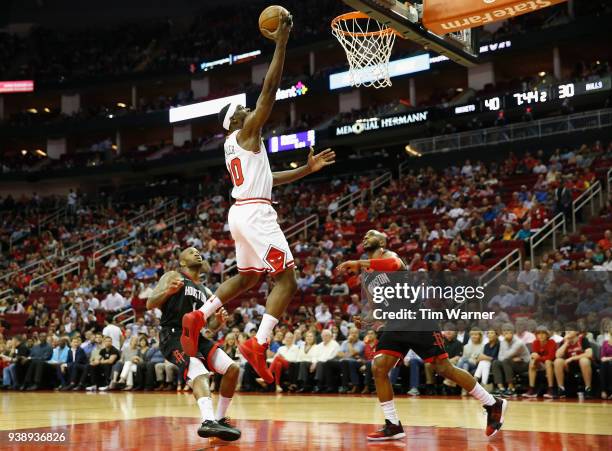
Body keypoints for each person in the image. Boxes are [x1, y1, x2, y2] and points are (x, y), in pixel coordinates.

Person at [180, 10, 336, 386]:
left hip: (243, 210)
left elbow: (267, 179)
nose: (254, 111)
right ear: (237, 120)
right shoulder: (247, 132)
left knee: (249, 277)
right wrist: (281, 43)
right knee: (287, 280)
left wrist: (305, 170)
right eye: (246, 111)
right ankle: (259, 343)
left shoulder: (236, 147)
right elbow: (269, 91)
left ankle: (199, 315)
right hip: (254, 215)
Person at [337, 230, 507, 441]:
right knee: (379, 366)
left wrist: (358, 262)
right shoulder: (366, 277)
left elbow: (392, 266)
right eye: (364, 235)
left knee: (443, 368)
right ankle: (392, 424)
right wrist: (368, 320)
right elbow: (378, 307)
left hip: (418, 319)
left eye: (371, 234)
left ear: (382, 242)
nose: (365, 236)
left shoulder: (389, 257)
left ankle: (492, 403)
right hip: (395, 324)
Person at [146, 247, 241, 441]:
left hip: (196, 336)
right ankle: (208, 421)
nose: (196, 253)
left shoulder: (205, 290)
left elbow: (208, 327)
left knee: (233, 369)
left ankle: (220, 419)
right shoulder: (173, 275)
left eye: (198, 251)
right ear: (182, 262)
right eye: (190, 252)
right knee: (198, 369)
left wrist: (218, 322)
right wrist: (167, 291)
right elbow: (150, 303)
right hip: (173, 335)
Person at [553, 322, 593, 399]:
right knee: (557, 361)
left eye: (570, 329)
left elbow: (589, 354)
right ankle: (561, 389)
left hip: (583, 365)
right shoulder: (564, 341)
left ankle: (588, 388)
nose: (568, 331)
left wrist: (572, 358)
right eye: (566, 330)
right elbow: (557, 355)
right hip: (569, 366)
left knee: (584, 360)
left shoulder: (583, 339)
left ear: (577, 332)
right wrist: (566, 343)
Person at [491, 324, 530, 397]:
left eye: (508, 331)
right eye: (504, 332)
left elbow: (506, 356)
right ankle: (501, 388)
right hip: (511, 363)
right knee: (496, 362)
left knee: (506, 361)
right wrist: (510, 358)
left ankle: (511, 388)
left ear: (513, 333)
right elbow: (500, 357)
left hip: (524, 364)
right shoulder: (503, 342)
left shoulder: (519, 343)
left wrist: (505, 342)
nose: (506, 333)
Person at [523, 325, 556, 398]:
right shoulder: (535, 342)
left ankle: (551, 389)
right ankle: (531, 389)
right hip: (541, 364)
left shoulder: (551, 342)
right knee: (532, 361)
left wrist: (539, 358)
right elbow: (535, 356)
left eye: (543, 333)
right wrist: (536, 358)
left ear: (547, 335)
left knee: (547, 361)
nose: (541, 335)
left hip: (552, 364)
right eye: (538, 333)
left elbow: (551, 357)